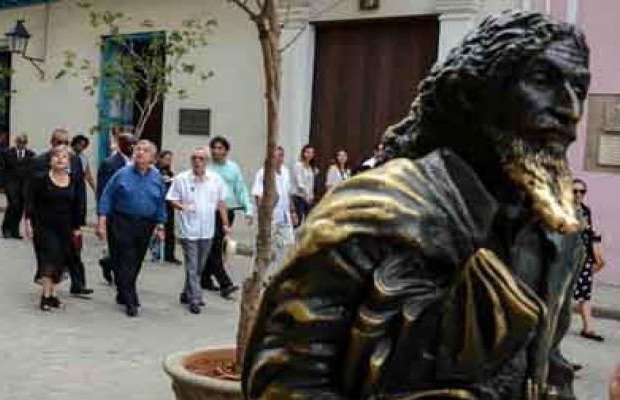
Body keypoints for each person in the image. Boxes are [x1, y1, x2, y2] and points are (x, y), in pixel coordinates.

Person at [243, 12, 591, 399]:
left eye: (579, 88)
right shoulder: (372, 212)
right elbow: (286, 379)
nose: (570, 109)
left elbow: (546, 365)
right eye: (543, 81)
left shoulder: (557, 238)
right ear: (475, 92)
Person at [96, 139, 167, 317]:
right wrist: (102, 220)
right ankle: (130, 299)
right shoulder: (122, 174)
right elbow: (107, 196)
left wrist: (160, 224)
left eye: (145, 151)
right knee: (126, 258)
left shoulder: (157, 177)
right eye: (137, 150)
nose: (140, 153)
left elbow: (160, 202)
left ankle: (123, 291)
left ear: (153, 157)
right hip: (121, 221)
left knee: (136, 260)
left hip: (146, 223)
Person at [166, 148, 229, 314]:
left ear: (206, 161)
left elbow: (221, 202)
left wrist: (225, 223)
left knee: (199, 266)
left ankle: (186, 293)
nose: (197, 161)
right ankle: (195, 298)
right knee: (192, 265)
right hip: (189, 230)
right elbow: (171, 198)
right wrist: (182, 206)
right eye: (194, 158)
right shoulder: (181, 179)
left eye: (201, 158)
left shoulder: (215, 180)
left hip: (207, 230)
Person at [32, 128, 92, 296]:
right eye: (59, 142)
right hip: (45, 218)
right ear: (52, 143)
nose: (63, 146)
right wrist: (30, 218)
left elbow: (80, 191)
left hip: (68, 218)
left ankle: (78, 284)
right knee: (48, 253)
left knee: (72, 252)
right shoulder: (40, 161)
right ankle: (46, 285)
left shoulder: (74, 161)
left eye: (66, 142)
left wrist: (79, 221)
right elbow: (32, 193)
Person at [25, 145, 84, 311]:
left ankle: (53, 294)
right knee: (48, 258)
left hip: (65, 227)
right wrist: (28, 222)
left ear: (69, 161)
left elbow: (77, 206)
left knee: (60, 260)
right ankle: (45, 296)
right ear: (50, 160)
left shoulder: (74, 181)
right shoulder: (41, 179)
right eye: (56, 156)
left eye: (64, 157)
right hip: (44, 226)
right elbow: (31, 202)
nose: (60, 159)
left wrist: (77, 227)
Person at [201, 136, 252, 298]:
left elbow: (241, 189)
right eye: (214, 148)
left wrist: (248, 209)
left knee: (217, 245)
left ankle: (205, 279)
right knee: (215, 247)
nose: (216, 151)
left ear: (226, 150)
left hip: (227, 212)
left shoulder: (233, 168)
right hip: (210, 211)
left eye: (220, 148)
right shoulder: (207, 167)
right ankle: (226, 284)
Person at [96, 133, 136, 284]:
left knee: (126, 247)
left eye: (134, 144)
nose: (132, 147)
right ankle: (119, 275)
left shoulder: (137, 162)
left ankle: (109, 263)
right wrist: (102, 214)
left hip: (131, 213)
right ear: (120, 145)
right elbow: (103, 190)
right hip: (114, 213)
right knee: (119, 246)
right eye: (128, 144)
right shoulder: (109, 163)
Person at [251, 146, 296, 280]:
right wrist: (263, 216)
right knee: (266, 248)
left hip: (284, 216)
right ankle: (259, 276)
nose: (279, 159)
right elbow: (258, 195)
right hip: (270, 218)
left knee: (286, 245)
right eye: (276, 156)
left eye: (281, 156)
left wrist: (293, 212)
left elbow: (288, 194)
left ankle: (275, 275)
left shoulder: (286, 172)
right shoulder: (263, 173)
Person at [572, 178, 607, 342]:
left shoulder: (586, 210)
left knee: (584, 295)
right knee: (561, 295)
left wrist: (596, 255)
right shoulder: (563, 208)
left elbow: (590, 235)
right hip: (566, 259)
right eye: (575, 191)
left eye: (582, 191)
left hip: (583, 257)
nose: (578, 194)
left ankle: (588, 328)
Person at [0, 134, 35, 239]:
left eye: (24, 142)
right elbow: (3, 169)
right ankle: (6, 228)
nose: (21, 144)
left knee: (20, 208)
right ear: (16, 142)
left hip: (24, 185)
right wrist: (5, 183)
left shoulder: (30, 155)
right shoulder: (8, 153)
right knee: (13, 205)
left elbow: (32, 171)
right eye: (20, 142)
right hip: (11, 184)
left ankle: (15, 230)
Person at [155, 150, 182, 264]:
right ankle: (156, 250)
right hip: (157, 203)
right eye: (166, 159)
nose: (168, 161)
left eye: (170, 159)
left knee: (170, 229)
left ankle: (169, 254)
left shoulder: (170, 173)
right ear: (160, 159)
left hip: (168, 203)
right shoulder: (155, 171)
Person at [290, 144, 317, 225]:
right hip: (299, 196)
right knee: (298, 219)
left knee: (308, 220)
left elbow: (311, 184)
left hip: (308, 197)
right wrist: (306, 195)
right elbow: (299, 183)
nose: (309, 155)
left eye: (311, 153)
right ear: (303, 153)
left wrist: (310, 196)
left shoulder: (310, 168)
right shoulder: (298, 165)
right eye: (307, 152)